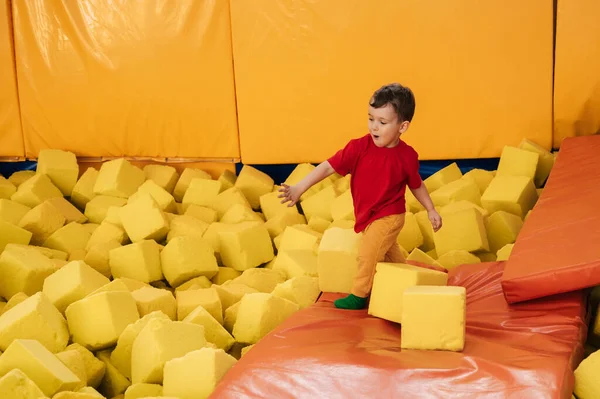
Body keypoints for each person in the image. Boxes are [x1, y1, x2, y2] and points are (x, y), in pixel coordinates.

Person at [278, 82, 442, 310]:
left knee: (367, 254)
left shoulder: (407, 156)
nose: (374, 127)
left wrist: (431, 209)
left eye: (382, 122)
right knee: (388, 256)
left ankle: (359, 295)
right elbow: (327, 167)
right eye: (371, 119)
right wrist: (299, 188)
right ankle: (410, 285)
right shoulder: (358, 148)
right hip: (368, 216)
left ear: (402, 127)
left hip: (390, 215)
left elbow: (416, 184)